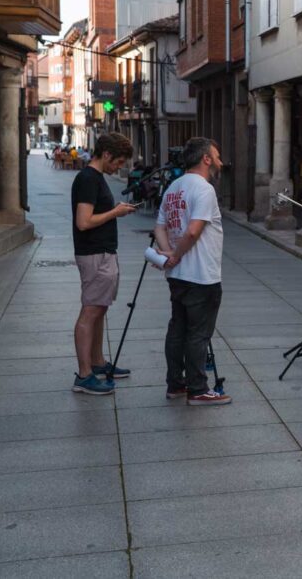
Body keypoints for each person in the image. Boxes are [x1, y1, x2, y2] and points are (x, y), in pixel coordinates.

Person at [154, 137, 231, 406]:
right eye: (217, 156)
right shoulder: (204, 189)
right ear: (206, 159)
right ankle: (198, 389)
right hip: (201, 275)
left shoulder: (174, 187)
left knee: (178, 330)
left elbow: (160, 226)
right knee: (198, 334)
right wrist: (175, 254)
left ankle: (176, 384)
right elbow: (194, 230)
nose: (220, 162)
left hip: (177, 275)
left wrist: (167, 255)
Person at [71, 132, 136, 395]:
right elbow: (83, 222)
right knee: (91, 312)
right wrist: (116, 212)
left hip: (102, 252)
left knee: (99, 309)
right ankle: (84, 375)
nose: (118, 167)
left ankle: (97, 363)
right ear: (106, 154)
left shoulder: (95, 178)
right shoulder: (88, 178)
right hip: (95, 253)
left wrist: (114, 211)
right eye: (118, 161)